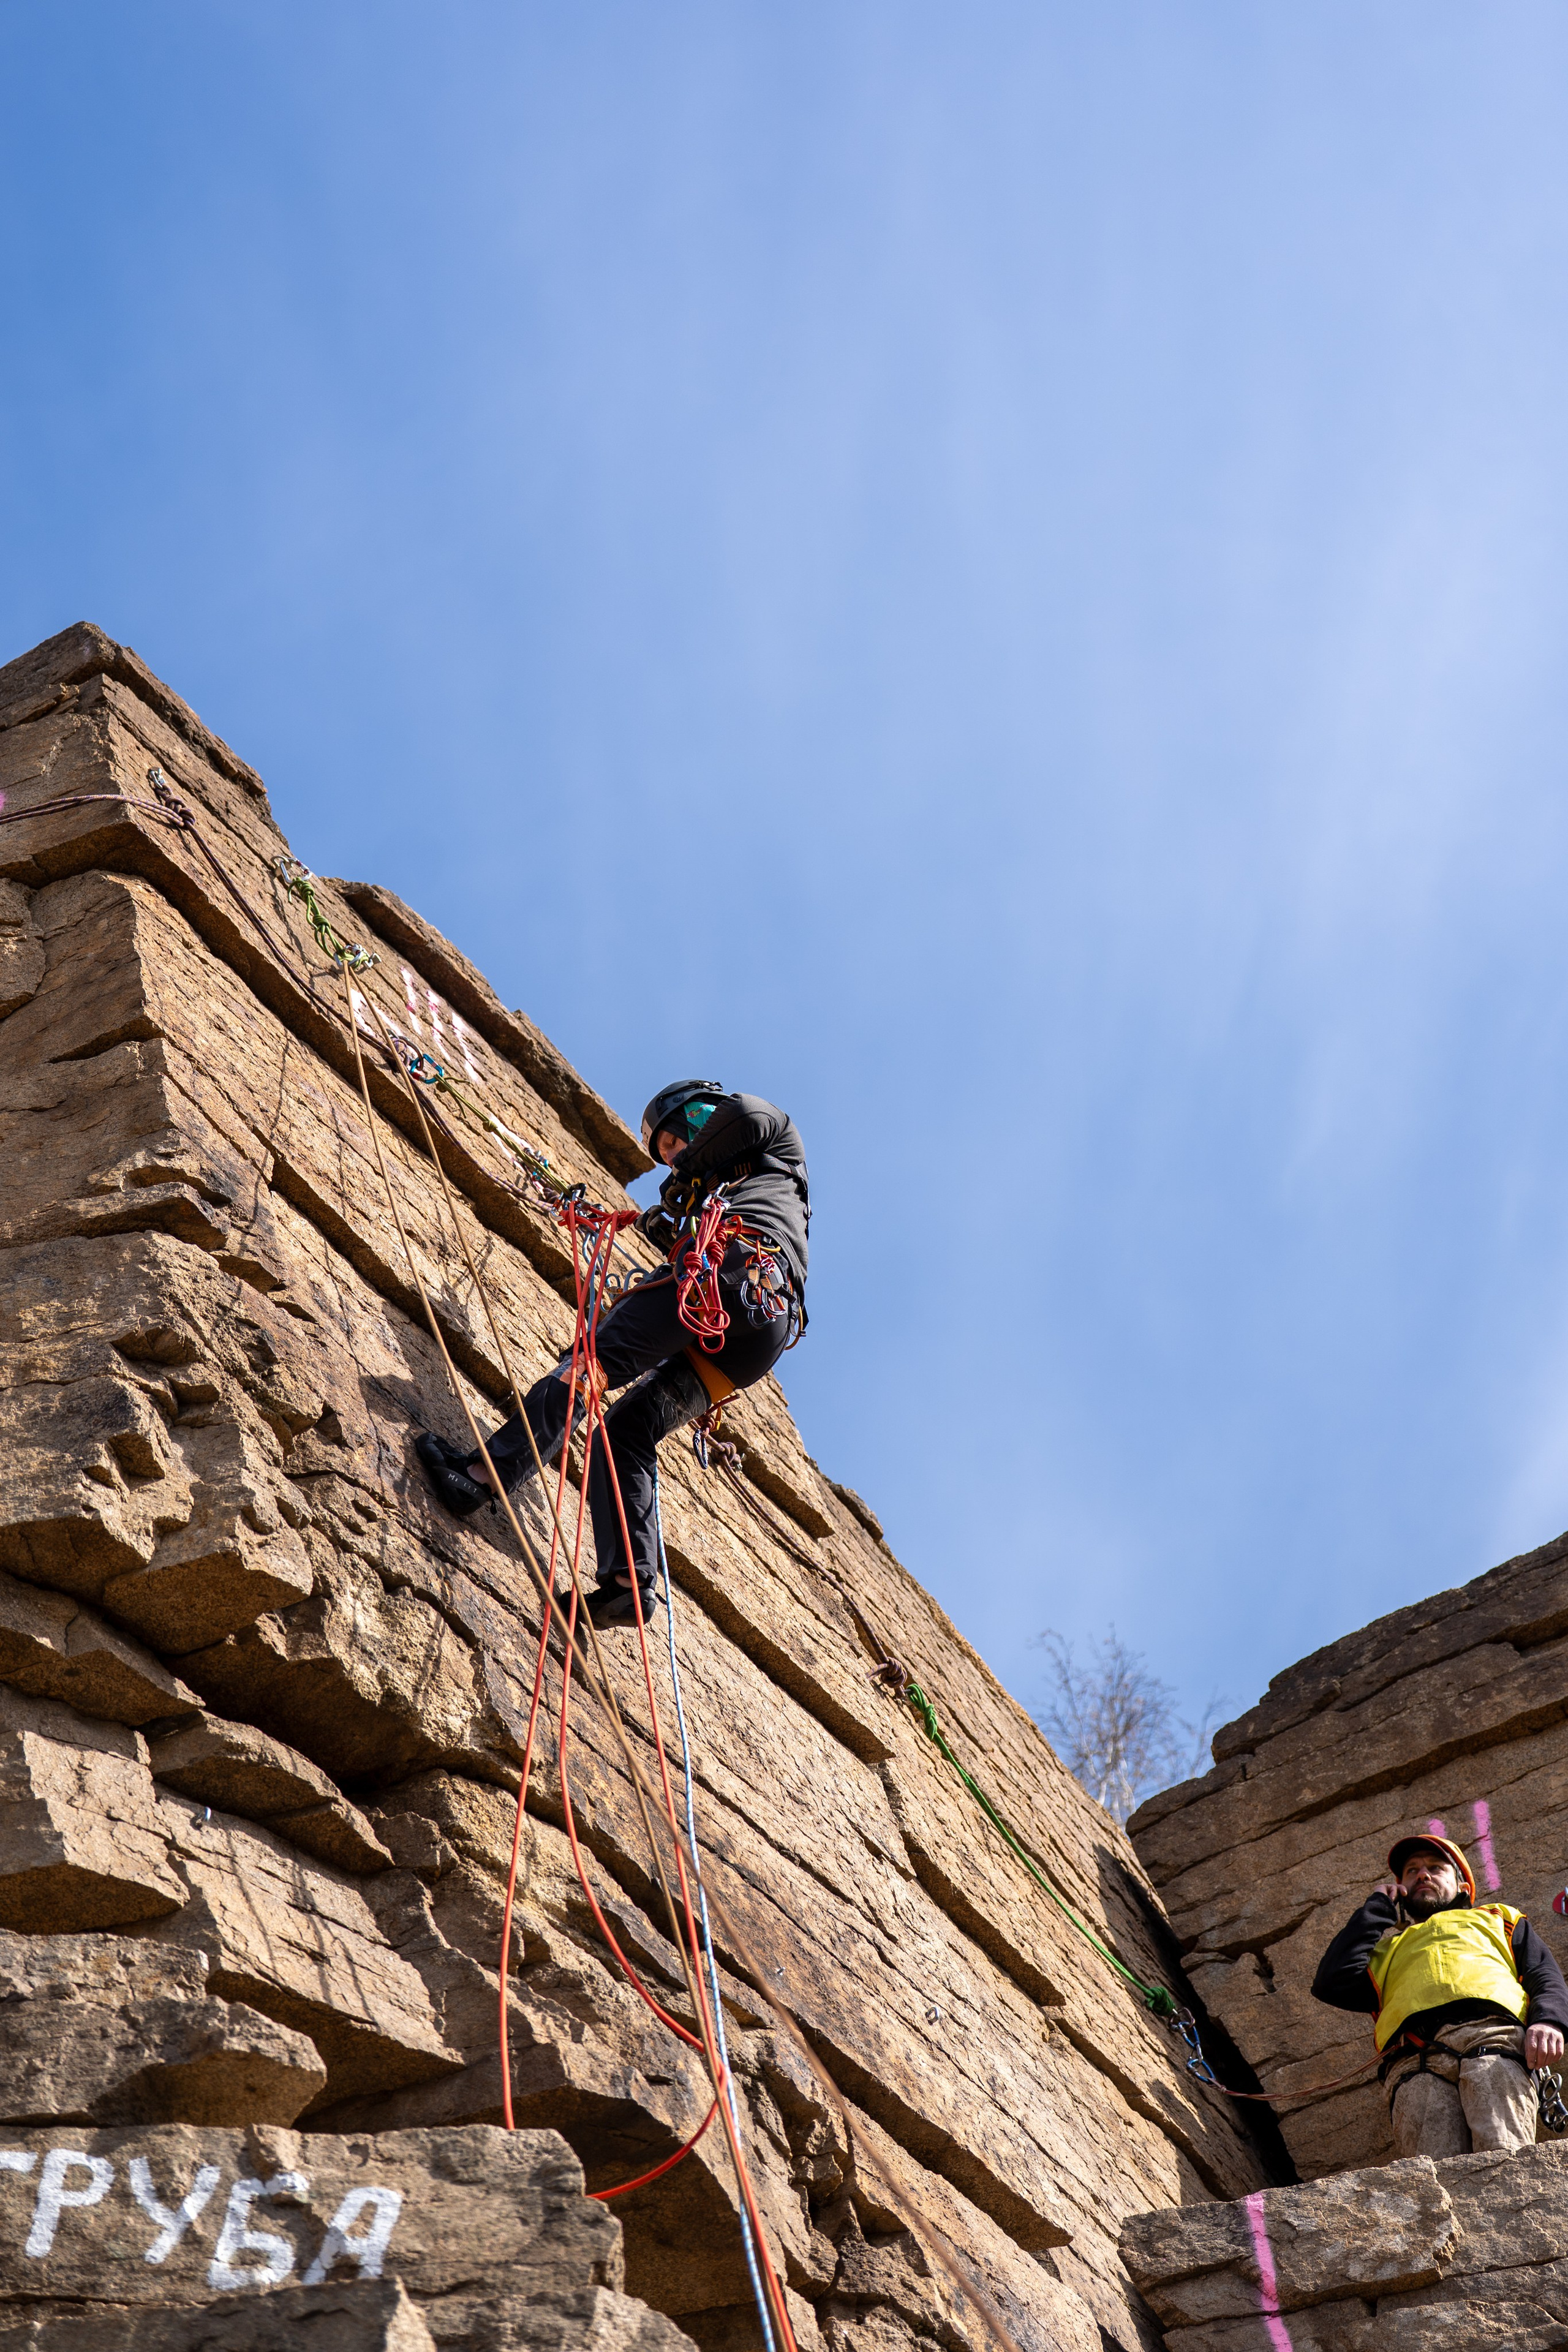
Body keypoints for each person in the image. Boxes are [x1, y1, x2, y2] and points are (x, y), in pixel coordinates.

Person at [416, 1081, 809, 1629]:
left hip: (734, 1271)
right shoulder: (710, 1197)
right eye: (666, 1152)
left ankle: (483, 1476)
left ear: (703, 1114)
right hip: (760, 1327)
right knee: (625, 1431)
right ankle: (630, 1583)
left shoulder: (777, 1146)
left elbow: (745, 1114)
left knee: (593, 1361)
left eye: (676, 1140)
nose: (673, 1157)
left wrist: (686, 1175)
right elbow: (683, 1215)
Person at [1311, 1831, 1568, 2157]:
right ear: (1401, 1889)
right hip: (1414, 2061)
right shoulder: (1385, 1951)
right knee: (1432, 2179)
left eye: (1436, 1867)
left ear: (1463, 1886)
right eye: (1412, 1871)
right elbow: (1331, 1981)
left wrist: (1549, 2021)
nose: (1423, 1874)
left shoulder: (1499, 1918)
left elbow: (1543, 1973)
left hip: (1493, 2041)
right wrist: (1377, 1909)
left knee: (1505, 2156)